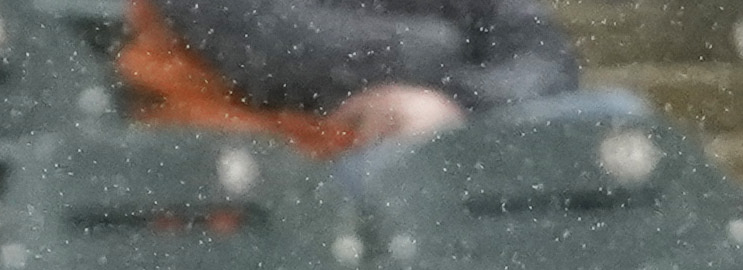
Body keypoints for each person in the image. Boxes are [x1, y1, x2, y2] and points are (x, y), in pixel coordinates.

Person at [116, 0, 581, 153]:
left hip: (456, 129)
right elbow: (282, 58)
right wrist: (445, 46)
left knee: (615, 119)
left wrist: (455, 102)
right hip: (294, 160)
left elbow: (546, 55)